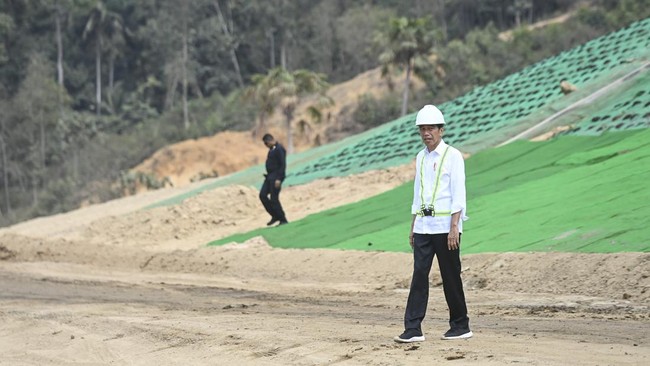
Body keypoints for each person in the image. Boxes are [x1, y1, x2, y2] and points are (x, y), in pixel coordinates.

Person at [394, 105, 472, 343]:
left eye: (431, 129)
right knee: (419, 274)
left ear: (441, 130)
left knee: (450, 276)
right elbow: (418, 193)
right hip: (423, 227)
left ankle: (460, 325)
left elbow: (459, 193)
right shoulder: (420, 157)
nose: (426, 133)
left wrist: (454, 227)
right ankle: (413, 328)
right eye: (423, 129)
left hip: (445, 228)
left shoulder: (453, 156)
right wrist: (412, 226)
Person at [260, 133, 288, 226]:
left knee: (274, 199)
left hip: (276, 177)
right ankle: (274, 215)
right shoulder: (272, 149)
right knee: (262, 195)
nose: (266, 146)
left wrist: (279, 178)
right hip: (269, 177)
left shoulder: (279, 149)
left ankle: (282, 219)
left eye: (266, 143)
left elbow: (282, 165)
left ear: (270, 141)